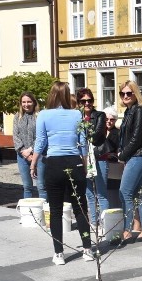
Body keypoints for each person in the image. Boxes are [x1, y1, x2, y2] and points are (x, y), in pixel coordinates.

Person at [30, 82, 93, 265]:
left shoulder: (43, 115)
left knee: (56, 210)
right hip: (74, 162)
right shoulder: (76, 113)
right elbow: (83, 141)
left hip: (54, 163)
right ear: (67, 95)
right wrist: (84, 164)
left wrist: (33, 163)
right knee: (80, 208)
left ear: (51, 95)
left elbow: (40, 141)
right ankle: (87, 249)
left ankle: (59, 253)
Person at [116, 81, 142, 242]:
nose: (125, 96)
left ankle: (127, 230)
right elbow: (126, 137)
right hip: (134, 155)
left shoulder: (139, 111)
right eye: (123, 94)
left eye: (129, 93)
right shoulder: (128, 112)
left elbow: (136, 138)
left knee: (125, 192)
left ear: (135, 94)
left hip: (138, 155)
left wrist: (122, 155)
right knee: (138, 194)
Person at [76, 88, 109, 229]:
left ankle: (105, 223)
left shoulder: (100, 115)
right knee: (89, 193)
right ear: (79, 102)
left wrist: (83, 134)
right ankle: (94, 223)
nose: (87, 103)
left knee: (101, 192)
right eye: (83, 101)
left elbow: (96, 136)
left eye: (90, 100)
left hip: (99, 156)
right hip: (83, 157)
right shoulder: (76, 116)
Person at [13, 92, 47, 200]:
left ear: (34, 102)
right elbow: (15, 136)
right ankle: (28, 211)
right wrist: (24, 152)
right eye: (24, 102)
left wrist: (32, 149)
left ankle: (44, 212)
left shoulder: (40, 116)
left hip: (39, 155)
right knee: (27, 186)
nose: (26, 104)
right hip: (22, 156)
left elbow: (42, 135)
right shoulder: (17, 117)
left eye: (29, 101)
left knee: (41, 186)